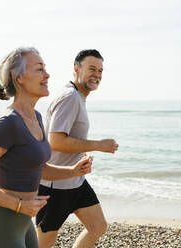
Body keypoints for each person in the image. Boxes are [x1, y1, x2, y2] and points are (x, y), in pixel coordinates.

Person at [0, 47, 93, 248]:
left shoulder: (36, 117)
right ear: (18, 77)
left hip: (24, 224)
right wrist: (19, 205)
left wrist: (72, 171)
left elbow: (37, 168)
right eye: (39, 69)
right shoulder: (8, 123)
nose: (47, 74)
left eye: (45, 68)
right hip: (1, 226)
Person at [36, 49, 119, 248]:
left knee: (98, 226)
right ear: (76, 69)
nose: (97, 75)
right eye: (92, 69)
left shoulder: (78, 97)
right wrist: (98, 145)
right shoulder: (70, 97)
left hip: (75, 182)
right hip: (54, 186)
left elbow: (67, 139)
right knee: (44, 243)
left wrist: (82, 153)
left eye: (100, 70)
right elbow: (55, 140)